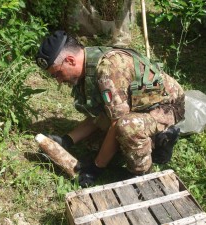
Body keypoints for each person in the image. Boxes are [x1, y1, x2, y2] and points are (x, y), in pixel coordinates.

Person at [36, 30, 185, 187]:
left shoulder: (106, 70)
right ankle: (153, 141)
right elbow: (101, 115)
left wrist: (97, 166)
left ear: (70, 61)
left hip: (167, 106)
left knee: (127, 128)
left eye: (58, 74)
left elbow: (116, 122)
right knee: (93, 144)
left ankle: (142, 171)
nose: (59, 81)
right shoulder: (89, 66)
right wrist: (67, 140)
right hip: (140, 104)